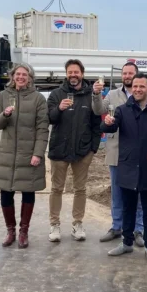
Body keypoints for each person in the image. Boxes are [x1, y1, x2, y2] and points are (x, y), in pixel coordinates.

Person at [100, 73, 147, 262]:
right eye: (135, 86)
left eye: (142, 86)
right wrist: (107, 123)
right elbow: (109, 128)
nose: (137, 89)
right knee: (128, 207)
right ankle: (126, 242)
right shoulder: (122, 110)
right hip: (127, 166)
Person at [0, 63, 49, 249]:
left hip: (29, 154)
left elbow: (42, 129)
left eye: (25, 74)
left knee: (28, 192)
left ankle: (24, 232)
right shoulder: (3, 96)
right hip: (7, 155)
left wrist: (38, 153)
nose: (21, 77)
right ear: (12, 76)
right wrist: (5, 115)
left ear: (30, 78)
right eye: (18, 74)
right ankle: (10, 231)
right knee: (5, 192)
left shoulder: (38, 99)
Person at [93, 62, 147, 247]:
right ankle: (117, 227)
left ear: (137, 75)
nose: (127, 76)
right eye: (124, 73)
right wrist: (96, 94)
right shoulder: (112, 94)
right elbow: (98, 110)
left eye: (130, 73)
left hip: (138, 155)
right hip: (116, 151)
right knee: (117, 194)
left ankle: (138, 230)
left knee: (139, 195)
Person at [46, 59, 103, 242]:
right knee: (56, 188)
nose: (73, 75)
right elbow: (49, 118)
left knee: (80, 189)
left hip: (82, 152)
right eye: (70, 72)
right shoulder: (56, 94)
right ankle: (54, 224)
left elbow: (97, 125)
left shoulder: (90, 95)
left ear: (82, 74)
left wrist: (93, 150)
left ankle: (77, 224)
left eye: (76, 72)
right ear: (66, 74)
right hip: (59, 150)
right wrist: (58, 109)